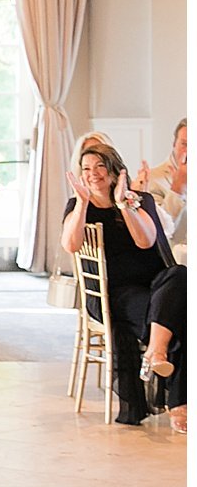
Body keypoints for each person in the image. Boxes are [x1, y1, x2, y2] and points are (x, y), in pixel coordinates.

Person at [62, 141, 185, 432]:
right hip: (112, 292)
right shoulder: (78, 206)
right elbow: (71, 244)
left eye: (100, 167)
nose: (93, 174)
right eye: (87, 169)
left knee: (180, 274)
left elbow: (146, 240)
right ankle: (180, 403)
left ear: (116, 170)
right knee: (182, 318)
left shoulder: (140, 200)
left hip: (154, 285)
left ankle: (155, 351)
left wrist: (122, 203)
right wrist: (81, 204)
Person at [134, 118, 186, 246]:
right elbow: (160, 229)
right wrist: (177, 189)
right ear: (174, 144)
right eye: (184, 144)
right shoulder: (152, 179)